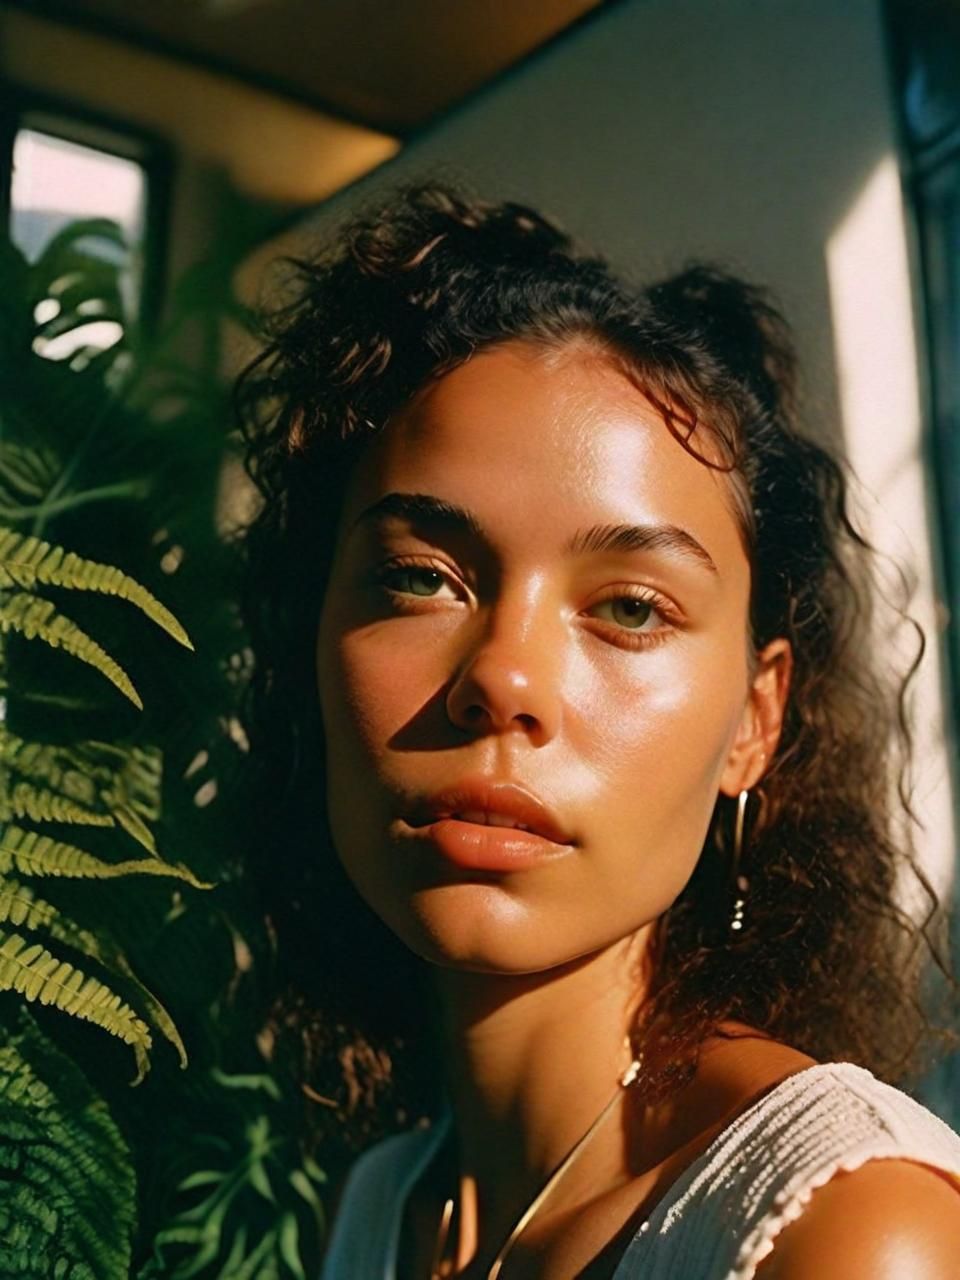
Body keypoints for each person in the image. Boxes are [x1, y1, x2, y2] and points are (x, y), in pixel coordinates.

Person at [233, 180, 960, 1278]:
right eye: (422, 578)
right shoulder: (385, 1203)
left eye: (629, 606)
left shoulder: (842, 1231)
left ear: (753, 723)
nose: (503, 677)